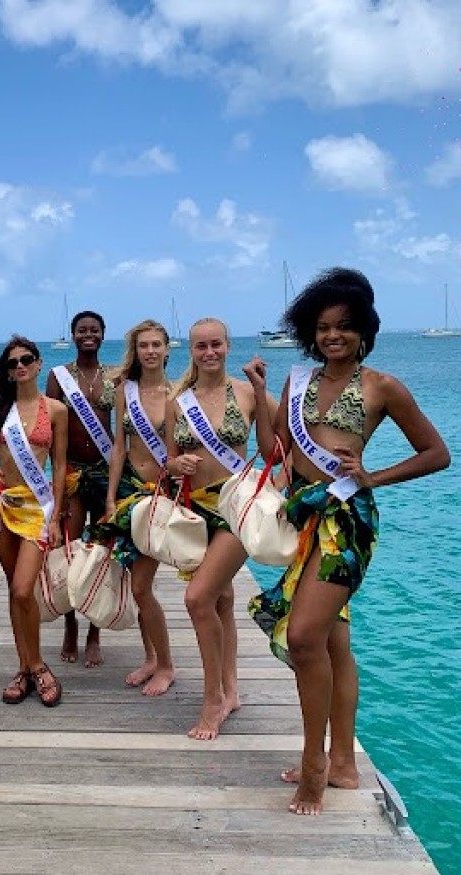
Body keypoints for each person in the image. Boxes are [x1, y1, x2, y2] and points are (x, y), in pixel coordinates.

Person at [243, 267, 449, 815]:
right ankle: (343, 762)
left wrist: (372, 476)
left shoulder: (383, 387)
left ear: (364, 331)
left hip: (347, 522)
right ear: (311, 332)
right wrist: (261, 392)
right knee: (334, 643)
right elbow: (275, 450)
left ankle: (314, 765)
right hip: (303, 517)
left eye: (344, 326)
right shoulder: (297, 382)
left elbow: (437, 453)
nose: (333, 335)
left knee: (304, 638)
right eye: (324, 327)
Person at [166, 318, 277, 739]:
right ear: (191, 351)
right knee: (222, 600)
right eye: (201, 346)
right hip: (195, 511)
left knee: (197, 599)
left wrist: (264, 391)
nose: (209, 352)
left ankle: (212, 699)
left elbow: (279, 447)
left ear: (228, 346)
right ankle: (231, 690)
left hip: (235, 508)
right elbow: (168, 461)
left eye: (216, 344)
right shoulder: (179, 401)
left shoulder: (247, 393)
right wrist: (176, 464)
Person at [0, 337, 68, 706]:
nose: (19, 366)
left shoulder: (56, 410)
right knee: (13, 590)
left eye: (26, 359)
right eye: (12, 363)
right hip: (4, 503)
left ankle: (37, 665)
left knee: (24, 590)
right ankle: (24, 668)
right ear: (7, 371)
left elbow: (60, 465)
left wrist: (57, 517)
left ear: (38, 364)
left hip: (37, 508)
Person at [90, 319, 176, 696]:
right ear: (136, 351)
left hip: (160, 495)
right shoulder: (126, 390)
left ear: (167, 349)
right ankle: (151, 657)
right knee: (138, 581)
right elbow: (119, 449)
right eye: (144, 345)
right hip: (128, 492)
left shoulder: (179, 393)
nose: (151, 351)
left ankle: (166, 665)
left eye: (156, 344)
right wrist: (110, 498)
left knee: (141, 585)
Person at [45, 310, 116, 667]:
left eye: (94, 330)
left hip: (105, 472)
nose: (88, 335)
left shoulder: (115, 375)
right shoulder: (58, 376)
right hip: (72, 472)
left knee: (102, 552)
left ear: (103, 334)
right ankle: (70, 626)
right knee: (69, 553)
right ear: (73, 335)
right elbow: (50, 428)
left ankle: (95, 632)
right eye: (82, 330)